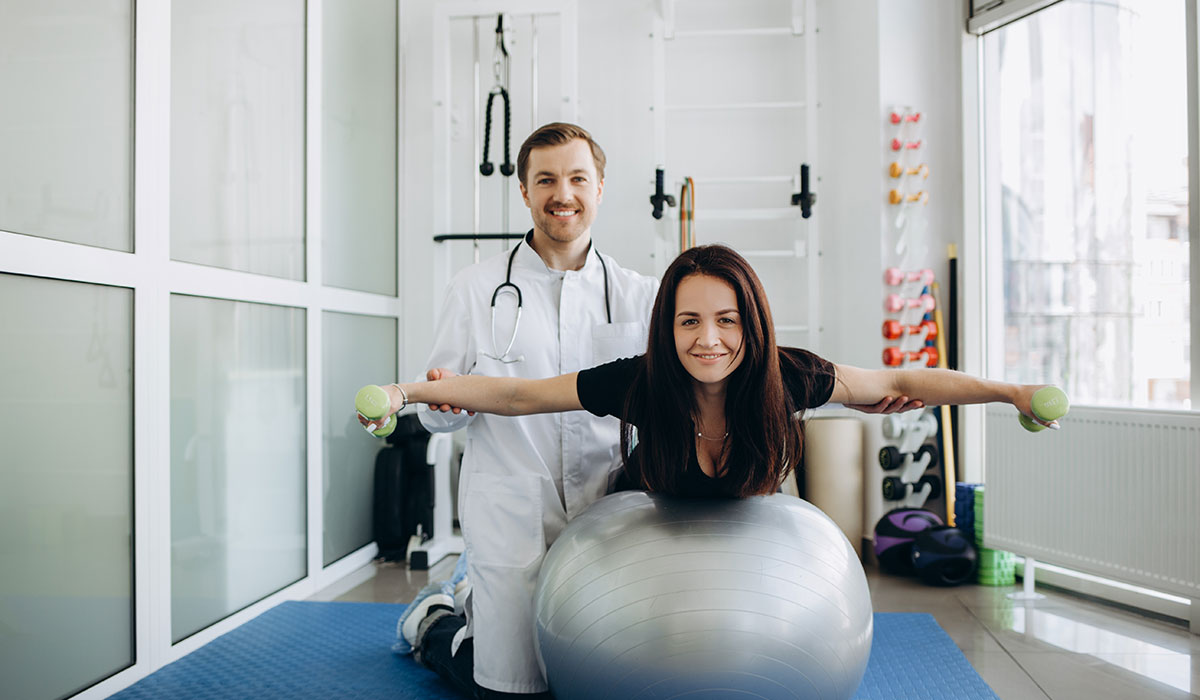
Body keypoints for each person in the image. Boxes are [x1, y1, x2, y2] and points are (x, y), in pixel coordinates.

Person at [364, 243, 1059, 502]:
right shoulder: (640, 381)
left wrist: (1012, 392)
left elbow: (899, 378)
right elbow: (516, 393)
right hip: (642, 548)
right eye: (688, 321)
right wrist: (405, 393)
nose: (709, 339)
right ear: (667, 326)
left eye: (726, 320)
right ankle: (443, 625)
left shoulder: (788, 377)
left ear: (751, 322)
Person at [404, 122, 659, 699]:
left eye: (577, 178)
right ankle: (436, 626)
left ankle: (468, 613)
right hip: (511, 509)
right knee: (511, 686)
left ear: (600, 187)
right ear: (524, 191)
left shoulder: (640, 295)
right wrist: (447, 400)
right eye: (545, 179)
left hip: (608, 508)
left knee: (599, 675)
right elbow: (437, 413)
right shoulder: (476, 288)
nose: (561, 194)